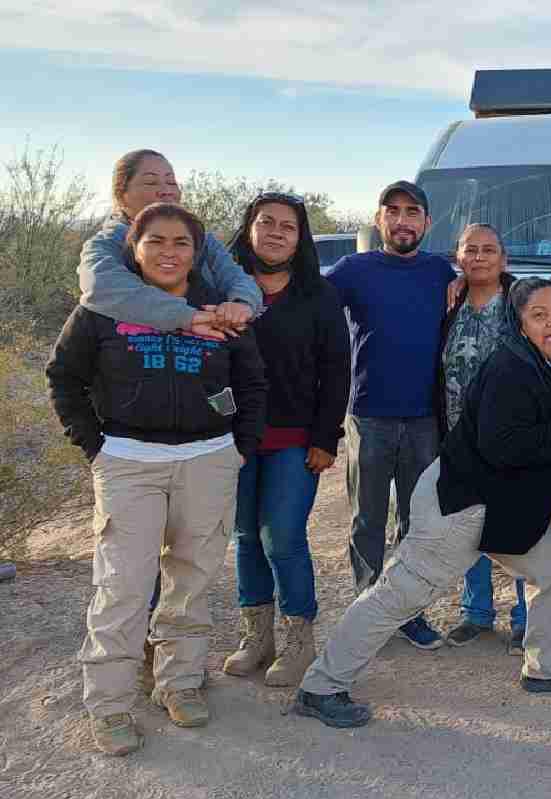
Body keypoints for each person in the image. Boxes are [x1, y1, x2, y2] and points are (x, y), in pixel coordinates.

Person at [293, 279, 551, 729]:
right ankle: (320, 687)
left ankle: (547, 669)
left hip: (504, 509)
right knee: (400, 593)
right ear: (520, 324)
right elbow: (503, 447)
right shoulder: (511, 369)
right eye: (539, 315)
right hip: (461, 506)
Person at [47, 203, 267, 756]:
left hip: (208, 461)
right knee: (122, 586)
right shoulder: (104, 307)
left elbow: (252, 382)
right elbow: (64, 377)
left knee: (191, 582)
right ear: (134, 248)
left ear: (197, 253)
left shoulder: (219, 309)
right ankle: (110, 705)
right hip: (127, 462)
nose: (169, 252)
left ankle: (180, 683)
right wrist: (96, 447)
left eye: (181, 243)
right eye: (156, 241)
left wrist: (238, 449)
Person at [220, 193, 351, 687]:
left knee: (283, 536)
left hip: (295, 438)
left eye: (288, 226)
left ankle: (300, 640)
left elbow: (336, 370)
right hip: (233, 440)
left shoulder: (318, 295)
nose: (276, 232)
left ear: (300, 239)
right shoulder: (222, 290)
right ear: (249, 229)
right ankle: (257, 637)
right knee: (245, 537)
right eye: (266, 222)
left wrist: (326, 438)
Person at [325, 180, 456, 650]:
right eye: (393, 211)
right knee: (367, 520)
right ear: (379, 219)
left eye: (412, 212)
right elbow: (309, 312)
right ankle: (368, 609)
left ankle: (407, 612)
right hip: (368, 415)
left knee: (417, 522)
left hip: (424, 419)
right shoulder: (352, 270)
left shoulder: (441, 272)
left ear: (427, 222)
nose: (402, 220)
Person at [437, 224, 529, 654]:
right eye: (470, 250)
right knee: (468, 525)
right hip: (460, 438)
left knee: (518, 525)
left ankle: (526, 619)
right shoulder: (449, 302)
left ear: (503, 259)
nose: (479, 257)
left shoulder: (520, 302)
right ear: (458, 258)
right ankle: (476, 614)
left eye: (488, 250)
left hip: (512, 438)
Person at [78, 149, 262, 340]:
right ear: (122, 194)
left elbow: (237, 278)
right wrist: (187, 316)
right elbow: (99, 285)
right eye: (151, 182)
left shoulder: (202, 239)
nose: (166, 190)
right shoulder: (107, 243)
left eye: (171, 182)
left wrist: (241, 304)